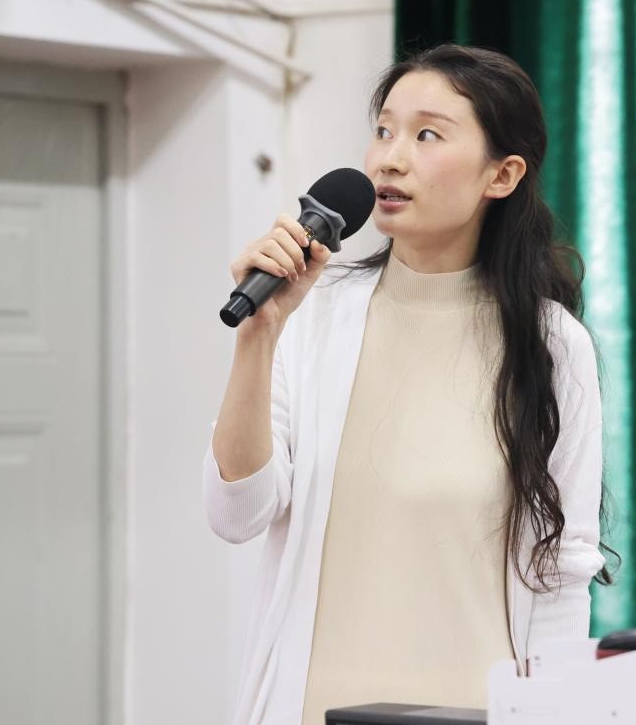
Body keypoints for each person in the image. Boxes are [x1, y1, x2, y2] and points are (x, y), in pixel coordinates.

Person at [204, 44, 611, 725]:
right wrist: (259, 335)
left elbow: (562, 575)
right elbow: (235, 514)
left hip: (477, 710)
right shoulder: (314, 315)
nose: (390, 159)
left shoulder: (551, 345)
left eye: (427, 135)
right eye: (384, 130)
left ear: (503, 174)